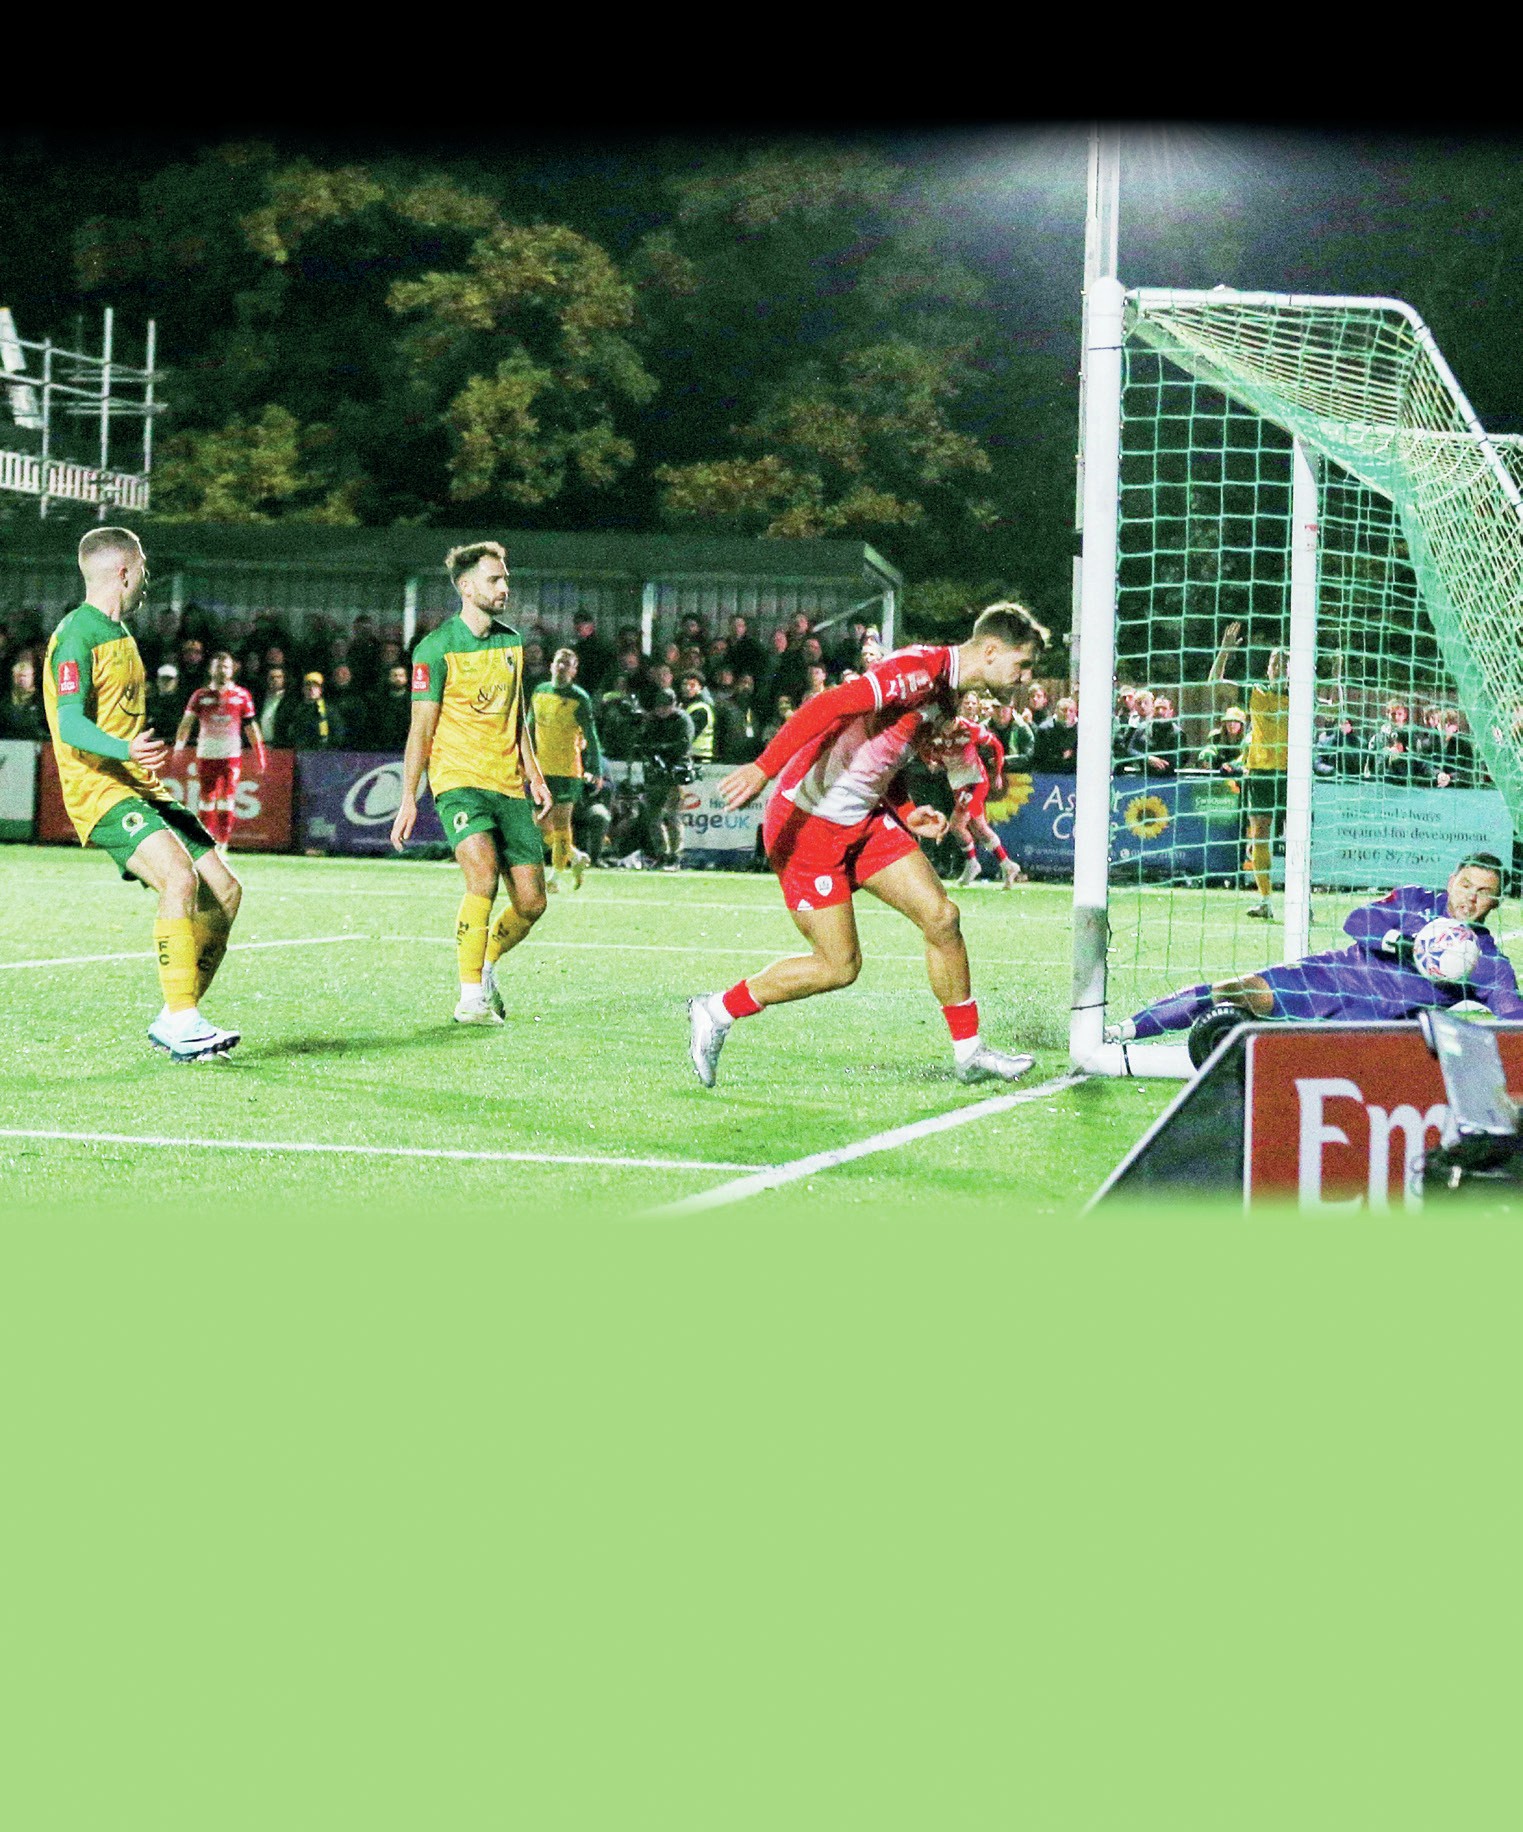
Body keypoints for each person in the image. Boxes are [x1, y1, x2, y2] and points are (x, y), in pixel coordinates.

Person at [686, 601, 1048, 1089]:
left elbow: (882, 758)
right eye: (1022, 664)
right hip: (809, 825)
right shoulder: (918, 670)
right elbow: (829, 705)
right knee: (838, 966)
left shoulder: (947, 695)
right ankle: (716, 1010)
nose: (1025, 677)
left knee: (942, 917)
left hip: (866, 822)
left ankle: (970, 1054)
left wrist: (906, 810)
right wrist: (763, 767)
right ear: (991, 650)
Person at [42, 527, 241, 1062]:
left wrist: (133, 755)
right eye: (145, 567)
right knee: (179, 877)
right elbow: (69, 724)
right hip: (98, 787)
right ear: (125, 572)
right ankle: (183, 1018)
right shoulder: (77, 635)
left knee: (225, 890)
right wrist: (125, 748)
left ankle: (177, 1016)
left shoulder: (122, 633)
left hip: (140, 786)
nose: (149, 579)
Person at [1105, 853, 1523, 1046]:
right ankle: (1123, 1031)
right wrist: (1409, 944)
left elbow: (1513, 1019)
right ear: (1451, 882)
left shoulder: (1488, 962)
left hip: (1372, 1026)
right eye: (1465, 885)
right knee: (1235, 990)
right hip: (1326, 980)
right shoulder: (1415, 899)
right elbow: (1357, 921)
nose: (1470, 897)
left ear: (1496, 902)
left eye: (1484, 892)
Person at [390, 541, 553, 1024]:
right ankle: (470, 998)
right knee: (482, 876)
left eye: (505, 579)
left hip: (509, 785)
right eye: (494, 579)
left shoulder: (512, 642)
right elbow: (420, 730)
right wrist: (408, 797)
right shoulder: (435, 649)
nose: (504, 588)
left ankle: (485, 964)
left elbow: (517, 718)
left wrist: (535, 775)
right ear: (465, 586)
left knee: (532, 903)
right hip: (458, 781)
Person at [1211, 621, 1288, 920]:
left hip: (1292, 775)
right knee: (1259, 836)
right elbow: (1215, 682)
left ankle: (1302, 901)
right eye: (1273, 663)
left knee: (1298, 839)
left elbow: (1335, 709)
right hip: (1259, 774)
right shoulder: (1255, 692)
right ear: (1267, 669)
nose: (1278, 668)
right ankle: (1266, 901)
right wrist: (1225, 651)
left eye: (1283, 664)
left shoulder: (1301, 695)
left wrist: (1336, 677)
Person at [920, 692, 1025, 888]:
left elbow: (997, 746)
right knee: (980, 828)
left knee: (956, 825)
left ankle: (971, 863)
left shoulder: (970, 729)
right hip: (958, 785)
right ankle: (1008, 865)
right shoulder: (935, 732)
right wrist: (932, 762)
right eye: (943, 723)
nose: (947, 728)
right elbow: (926, 750)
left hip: (976, 782)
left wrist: (997, 773)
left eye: (950, 722)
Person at [172, 652, 266, 848]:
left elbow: (251, 727)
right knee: (207, 798)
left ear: (232, 670)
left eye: (226, 667)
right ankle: (207, 842)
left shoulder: (241, 696)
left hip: (231, 755)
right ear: (211, 670)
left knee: (227, 798)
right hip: (206, 754)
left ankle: (222, 843)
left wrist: (260, 755)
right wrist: (179, 747)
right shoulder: (200, 696)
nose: (222, 670)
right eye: (218, 667)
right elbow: (186, 723)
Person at [529, 648, 603, 891]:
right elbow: (529, 727)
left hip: (567, 771)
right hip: (541, 770)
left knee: (561, 825)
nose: (561, 667)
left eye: (567, 664)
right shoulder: (540, 691)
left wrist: (596, 768)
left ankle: (554, 878)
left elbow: (591, 735)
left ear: (573, 670)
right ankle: (574, 856)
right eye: (559, 662)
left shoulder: (579, 698)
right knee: (540, 822)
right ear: (551, 665)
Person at [0, 653, 48, 741]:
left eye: (24, 676)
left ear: (32, 676)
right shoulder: (5, 702)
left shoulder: (42, 700)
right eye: (18, 676)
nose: (21, 679)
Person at [144, 661, 185, 741]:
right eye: (163, 679)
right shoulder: (148, 702)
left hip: (173, 742)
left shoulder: (182, 703)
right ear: (157, 681)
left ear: (176, 681)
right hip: (152, 742)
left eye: (169, 680)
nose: (166, 683)